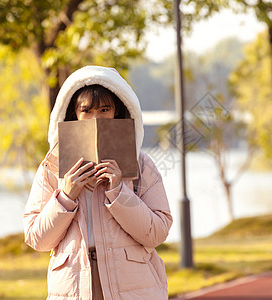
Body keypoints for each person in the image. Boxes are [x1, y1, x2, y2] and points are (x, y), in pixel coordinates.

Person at [23, 66, 173, 300]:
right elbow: (37, 238)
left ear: (119, 111)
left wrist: (118, 191)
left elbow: (157, 233)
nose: (96, 118)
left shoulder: (141, 165)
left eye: (105, 109)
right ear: (74, 115)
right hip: (73, 289)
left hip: (133, 288)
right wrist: (66, 196)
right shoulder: (52, 167)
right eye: (87, 110)